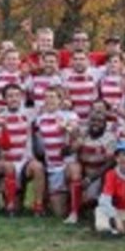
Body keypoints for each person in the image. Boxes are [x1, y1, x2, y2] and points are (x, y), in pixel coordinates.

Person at [0, 83, 46, 216]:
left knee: (38, 167)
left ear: (22, 97)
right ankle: (10, 205)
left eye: (17, 95)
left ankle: (38, 206)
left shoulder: (29, 114)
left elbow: (48, 104)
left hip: (24, 162)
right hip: (6, 162)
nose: (14, 99)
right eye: (10, 96)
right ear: (4, 99)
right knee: (9, 166)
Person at [33, 87, 80, 218]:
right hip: (52, 166)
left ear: (60, 100)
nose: (50, 100)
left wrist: (67, 127)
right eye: (47, 97)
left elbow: (77, 133)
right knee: (59, 213)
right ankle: (59, 200)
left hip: (67, 163)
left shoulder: (70, 115)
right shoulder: (40, 119)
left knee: (74, 171)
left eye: (53, 97)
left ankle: (75, 212)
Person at [64, 108, 117, 224]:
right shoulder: (82, 133)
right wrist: (73, 146)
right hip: (82, 171)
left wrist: (91, 178)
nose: (95, 124)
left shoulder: (110, 138)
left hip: (98, 175)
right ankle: (74, 213)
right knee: (74, 168)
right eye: (93, 120)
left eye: (99, 121)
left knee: (91, 200)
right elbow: (63, 153)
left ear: (105, 124)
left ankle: (88, 204)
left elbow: (111, 163)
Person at [61, 49, 99, 126]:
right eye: (75, 59)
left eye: (82, 59)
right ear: (71, 61)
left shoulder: (96, 73)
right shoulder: (64, 74)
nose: (78, 62)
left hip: (90, 123)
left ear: (87, 61)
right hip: (72, 123)